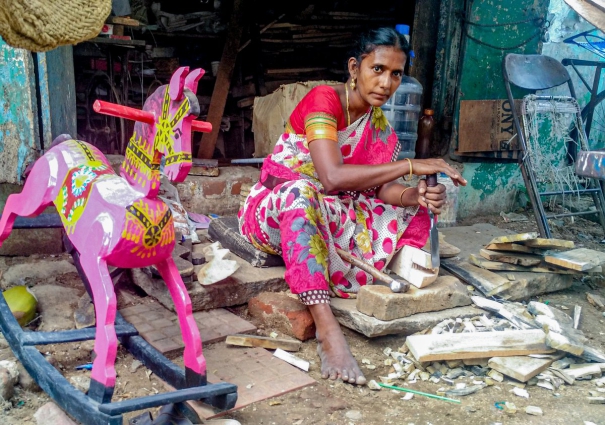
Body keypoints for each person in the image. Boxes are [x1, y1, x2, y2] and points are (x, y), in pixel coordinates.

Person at [239, 27, 467, 385]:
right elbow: (331, 177)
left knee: (416, 211)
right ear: (354, 67)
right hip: (278, 206)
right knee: (301, 193)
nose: (386, 83)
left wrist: (414, 195)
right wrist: (411, 165)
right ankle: (327, 330)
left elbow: (382, 189)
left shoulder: (382, 130)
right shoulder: (323, 100)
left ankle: (353, 264)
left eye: (396, 74)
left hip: (330, 210)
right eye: (377, 69)